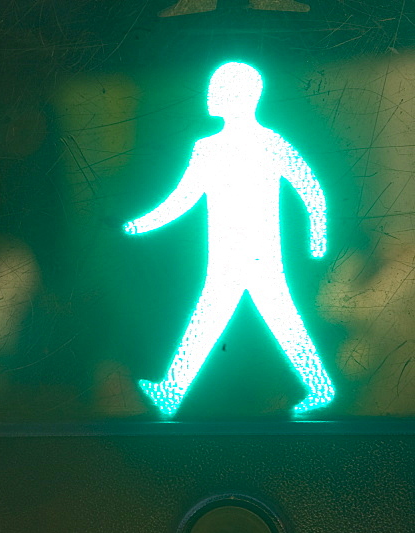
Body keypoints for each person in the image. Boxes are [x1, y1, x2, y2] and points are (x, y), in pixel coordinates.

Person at [124, 62, 334, 417]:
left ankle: (172, 393)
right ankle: (171, 392)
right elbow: (184, 198)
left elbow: (311, 189)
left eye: (219, 88)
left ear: (241, 97)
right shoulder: (208, 148)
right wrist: (143, 225)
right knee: (221, 323)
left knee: (263, 322)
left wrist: (318, 237)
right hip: (228, 260)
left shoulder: (270, 143)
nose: (211, 94)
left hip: (256, 258)